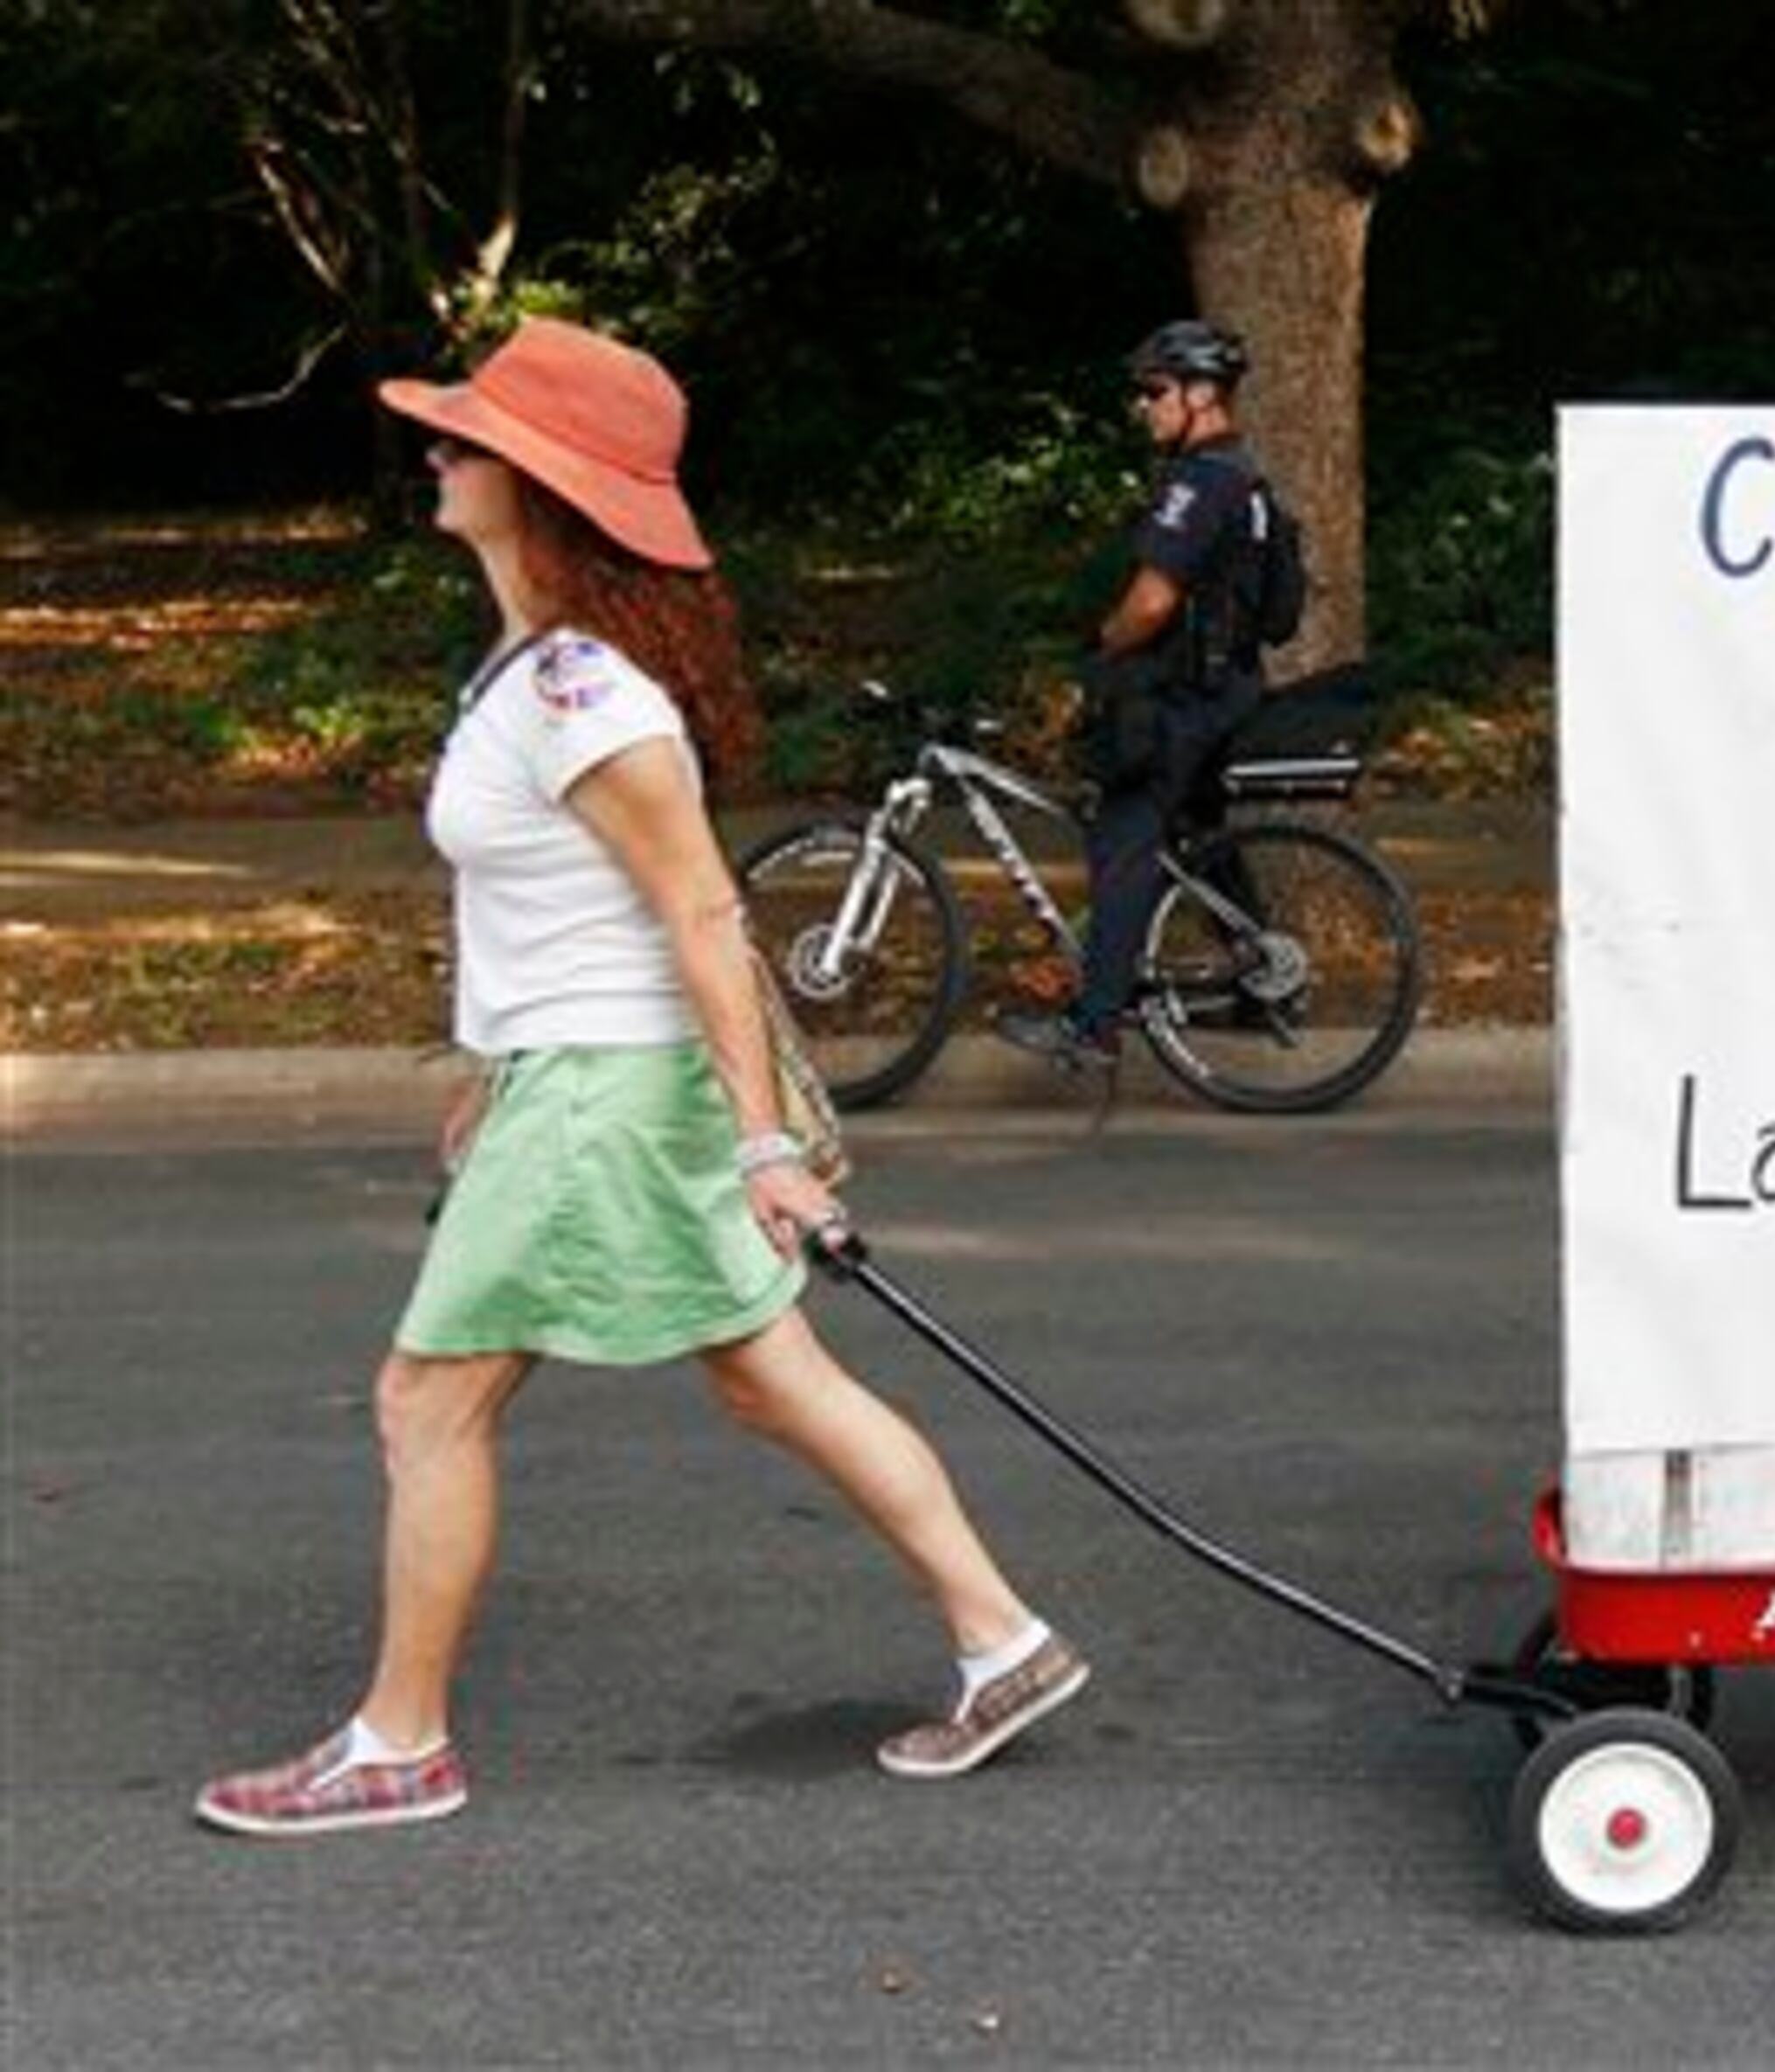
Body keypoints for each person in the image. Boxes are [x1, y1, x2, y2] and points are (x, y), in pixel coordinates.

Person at [194, 316, 1087, 1839]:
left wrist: (763, 1144)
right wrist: (490, 1065)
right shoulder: (535, 665)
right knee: (768, 1377)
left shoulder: (583, 700)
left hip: (612, 1096)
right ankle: (1004, 1639)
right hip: (578, 1077)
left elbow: (701, 913)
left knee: (428, 1400)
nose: (439, 451)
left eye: (467, 439)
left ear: (537, 483)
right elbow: (572, 905)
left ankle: (399, 1744)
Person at [999, 317, 1276, 1067]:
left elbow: (1152, 602)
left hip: (1186, 702)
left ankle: (1092, 1026)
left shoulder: (1200, 483)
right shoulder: (1246, 478)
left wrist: (1103, 644)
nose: (1144, 406)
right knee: (1201, 840)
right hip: (1229, 691)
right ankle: (1264, 984)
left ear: (1203, 395)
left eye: (1156, 391)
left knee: (1124, 843)